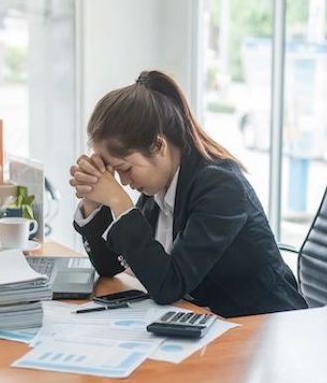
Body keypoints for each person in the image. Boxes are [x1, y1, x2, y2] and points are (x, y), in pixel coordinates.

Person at [70, 70, 308, 318]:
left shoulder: (220, 187)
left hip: (266, 324)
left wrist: (119, 202)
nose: (124, 182)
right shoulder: (159, 188)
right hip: (208, 320)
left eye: (125, 169)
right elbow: (109, 266)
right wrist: (92, 201)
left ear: (158, 146)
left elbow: (168, 285)